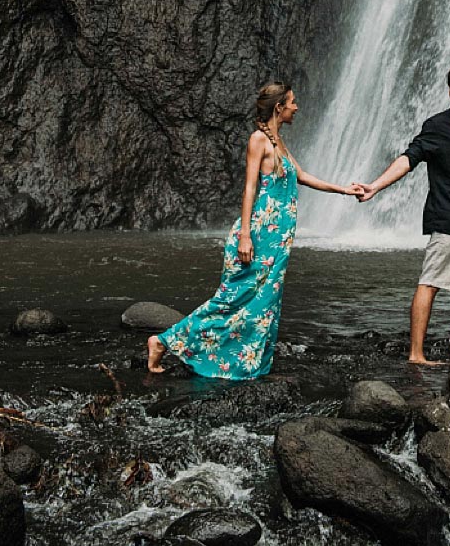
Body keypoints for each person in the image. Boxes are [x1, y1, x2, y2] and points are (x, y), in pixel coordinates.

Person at [147, 82, 367, 378]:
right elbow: (250, 188)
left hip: (278, 241)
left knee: (264, 303)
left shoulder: (278, 142)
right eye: (292, 102)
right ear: (279, 107)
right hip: (259, 235)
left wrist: (344, 190)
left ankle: (249, 363)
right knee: (231, 299)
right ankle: (162, 341)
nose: (296, 107)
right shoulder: (258, 140)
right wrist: (246, 236)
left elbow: (302, 176)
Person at [356, 63, 450, 365]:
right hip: (447, 217)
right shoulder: (438, 126)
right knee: (430, 283)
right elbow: (409, 159)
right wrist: (376, 186)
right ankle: (416, 354)